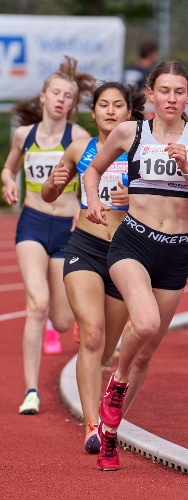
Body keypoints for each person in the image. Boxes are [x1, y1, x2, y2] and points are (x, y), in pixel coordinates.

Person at [84, 60, 188, 471]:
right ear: (150, 94)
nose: (171, 99)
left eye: (179, 92)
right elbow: (92, 170)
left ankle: (110, 435)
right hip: (133, 243)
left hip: (177, 251)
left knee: (146, 354)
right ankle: (115, 387)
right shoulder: (131, 132)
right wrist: (93, 200)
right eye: (164, 91)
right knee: (144, 324)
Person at [41, 81, 145, 454]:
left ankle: (95, 359)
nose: (111, 111)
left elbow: (161, 201)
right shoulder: (77, 149)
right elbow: (50, 194)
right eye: (104, 105)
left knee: (105, 351)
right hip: (83, 247)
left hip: (124, 252)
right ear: (94, 111)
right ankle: (91, 425)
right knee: (94, 335)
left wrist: (134, 196)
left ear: (129, 113)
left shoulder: (140, 152)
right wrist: (52, 187)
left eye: (119, 105)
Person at [1, 56, 95, 416]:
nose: (60, 99)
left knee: (60, 319)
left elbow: (92, 179)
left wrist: (90, 211)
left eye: (67, 95)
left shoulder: (80, 138)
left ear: (72, 104)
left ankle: (59, 329)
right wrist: (9, 182)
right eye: (54, 93)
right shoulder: (24, 135)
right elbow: (8, 168)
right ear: (42, 98)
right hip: (32, 223)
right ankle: (30, 391)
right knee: (36, 304)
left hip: (66, 228)